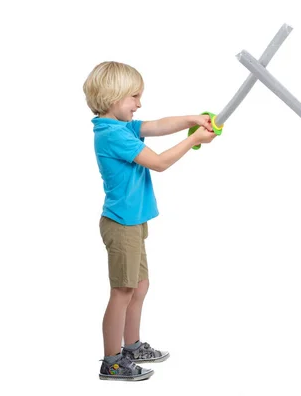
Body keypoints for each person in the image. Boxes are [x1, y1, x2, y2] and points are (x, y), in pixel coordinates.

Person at [83, 61, 217, 381]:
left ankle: (131, 347)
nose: (139, 103)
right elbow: (158, 162)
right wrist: (194, 138)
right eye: (134, 96)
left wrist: (191, 119)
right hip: (122, 224)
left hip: (132, 221)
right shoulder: (113, 134)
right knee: (122, 291)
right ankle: (112, 361)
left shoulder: (120, 127)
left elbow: (156, 125)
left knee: (139, 286)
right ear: (113, 97)